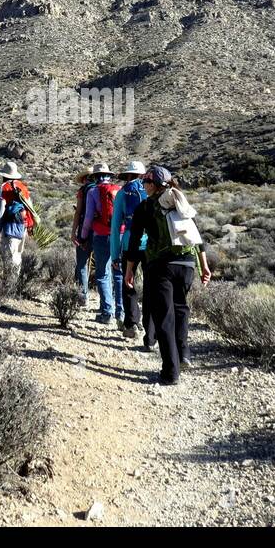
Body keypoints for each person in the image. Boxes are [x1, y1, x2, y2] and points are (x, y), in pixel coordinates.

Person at [125, 165, 211, 385]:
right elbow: (196, 235)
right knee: (181, 308)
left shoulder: (145, 207)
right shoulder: (180, 200)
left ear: (153, 184)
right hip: (187, 264)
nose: (143, 186)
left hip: (161, 266)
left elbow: (135, 241)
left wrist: (129, 269)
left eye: (146, 182)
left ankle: (170, 372)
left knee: (164, 316)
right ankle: (184, 354)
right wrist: (204, 264)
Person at [109, 160, 149, 344]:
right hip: (151, 244)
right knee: (151, 285)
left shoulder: (123, 193)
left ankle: (132, 323)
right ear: (141, 174)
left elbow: (116, 226)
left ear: (126, 175)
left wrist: (115, 253)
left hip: (129, 243)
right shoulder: (150, 190)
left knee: (128, 282)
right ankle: (150, 327)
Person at [80, 163, 121, 325]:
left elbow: (88, 218)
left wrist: (83, 237)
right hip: (120, 235)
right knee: (119, 274)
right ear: (109, 176)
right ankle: (121, 312)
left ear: (95, 177)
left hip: (101, 236)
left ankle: (106, 313)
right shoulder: (119, 190)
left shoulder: (92, 191)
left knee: (103, 274)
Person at [0, 161, 35, 283]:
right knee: (18, 254)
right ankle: (15, 281)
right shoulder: (23, 187)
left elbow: (1, 208)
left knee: (9, 254)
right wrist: (29, 226)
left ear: (4, 175)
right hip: (23, 225)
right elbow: (30, 207)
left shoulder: (4, 187)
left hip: (9, 225)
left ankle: (10, 283)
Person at [71, 169, 97, 301]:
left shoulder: (83, 190)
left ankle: (83, 297)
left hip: (85, 231)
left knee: (81, 263)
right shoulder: (102, 189)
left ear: (84, 178)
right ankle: (107, 305)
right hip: (102, 231)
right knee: (104, 268)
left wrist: (73, 232)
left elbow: (78, 212)